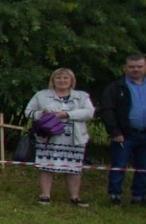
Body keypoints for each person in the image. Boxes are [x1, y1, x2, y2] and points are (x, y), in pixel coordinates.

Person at [25, 68, 95, 207]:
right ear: (53, 80)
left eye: (65, 78)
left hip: (74, 138)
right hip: (49, 138)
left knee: (74, 167)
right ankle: (45, 195)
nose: (62, 81)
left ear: (71, 81)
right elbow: (29, 112)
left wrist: (67, 114)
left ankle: (75, 196)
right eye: (58, 78)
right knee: (46, 166)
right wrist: (42, 114)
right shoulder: (41, 95)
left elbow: (89, 113)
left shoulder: (82, 96)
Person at [99, 53, 146, 206]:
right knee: (119, 165)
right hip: (124, 134)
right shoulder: (115, 88)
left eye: (139, 67)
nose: (136, 70)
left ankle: (139, 197)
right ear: (124, 68)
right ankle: (115, 195)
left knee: (144, 168)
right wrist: (115, 131)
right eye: (132, 67)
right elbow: (107, 110)